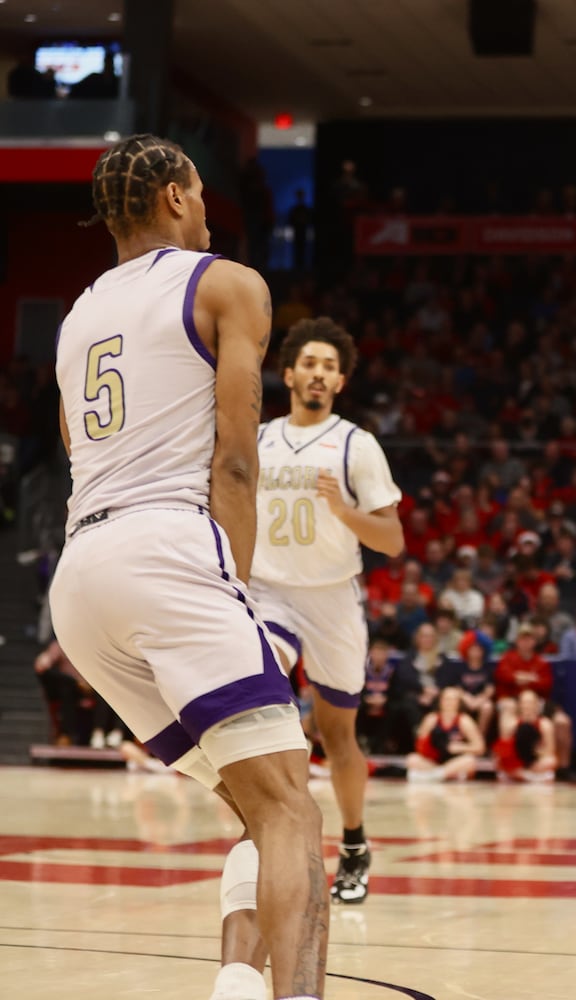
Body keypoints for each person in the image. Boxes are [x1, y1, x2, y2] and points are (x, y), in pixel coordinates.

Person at [48, 134, 327, 1000]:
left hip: (81, 575)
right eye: (201, 193)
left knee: (253, 804)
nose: (210, 209)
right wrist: (234, 591)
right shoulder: (225, 283)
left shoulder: (76, 316)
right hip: (168, 552)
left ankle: (236, 986)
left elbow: (74, 449)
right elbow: (236, 460)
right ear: (173, 196)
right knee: (293, 809)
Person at [252, 316, 404, 905]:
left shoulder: (355, 444)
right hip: (268, 593)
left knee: (340, 738)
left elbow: (390, 539)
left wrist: (344, 511)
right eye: (309, 363)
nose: (318, 373)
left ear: (340, 382)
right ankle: (271, 831)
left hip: (333, 598)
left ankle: (356, 842)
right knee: (261, 693)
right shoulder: (259, 438)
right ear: (288, 373)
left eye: (330, 367)